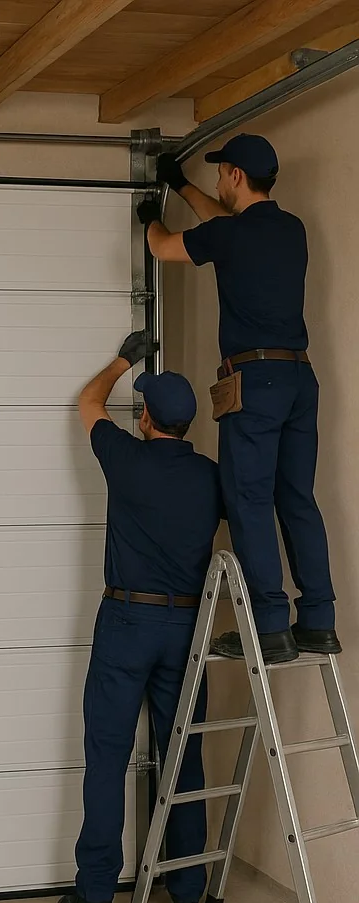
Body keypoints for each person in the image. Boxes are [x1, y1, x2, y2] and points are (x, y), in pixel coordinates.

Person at [136, 133, 339, 666]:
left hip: (255, 383)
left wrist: (148, 218)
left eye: (220, 173)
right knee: (296, 498)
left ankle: (270, 628)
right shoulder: (290, 230)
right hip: (300, 380)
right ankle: (318, 621)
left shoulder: (229, 236)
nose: (218, 182)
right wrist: (179, 183)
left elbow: (164, 247)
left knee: (248, 500)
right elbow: (222, 226)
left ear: (233, 176)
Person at [56, 333, 222, 903]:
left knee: (108, 755)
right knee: (184, 756)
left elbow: (87, 403)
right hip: (186, 628)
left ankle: (96, 897)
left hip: (127, 621)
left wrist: (125, 359)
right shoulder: (211, 476)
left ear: (148, 417)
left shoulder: (125, 458)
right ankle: (185, 895)